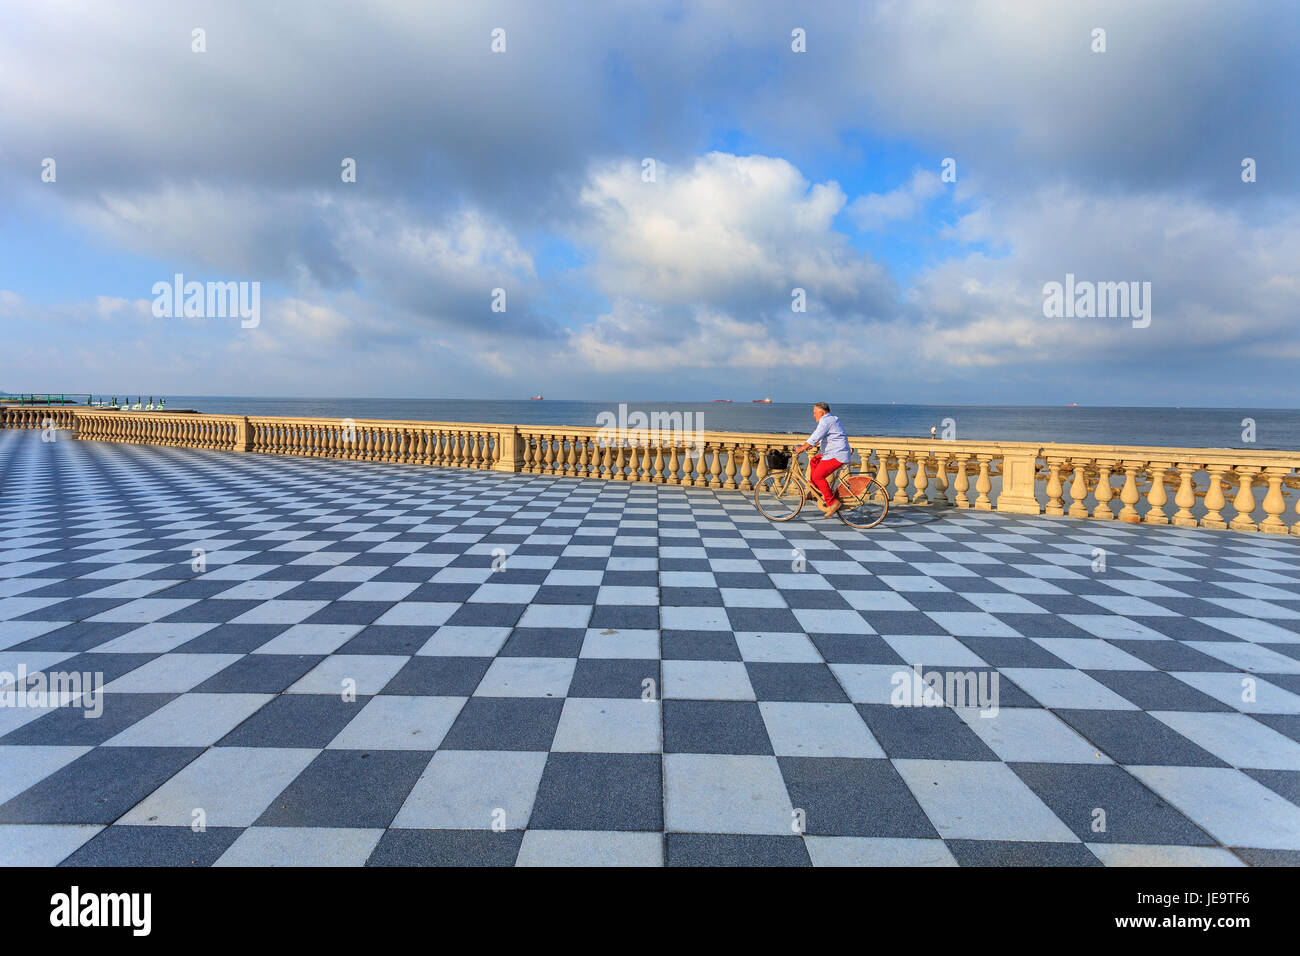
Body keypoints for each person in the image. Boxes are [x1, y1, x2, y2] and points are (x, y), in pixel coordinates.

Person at [791, 402, 850, 517]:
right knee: (814, 461)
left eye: (814, 413)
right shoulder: (831, 419)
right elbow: (824, 436)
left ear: (821, 413)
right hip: (832, 453)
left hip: (837, 455)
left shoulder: (825, 421)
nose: (813, 415)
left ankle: (832, 502)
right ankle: (815, 489)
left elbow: (816, 435)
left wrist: (803, 447)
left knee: (818, 476)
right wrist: (812, 444)